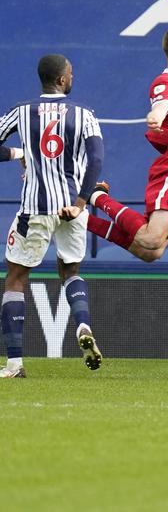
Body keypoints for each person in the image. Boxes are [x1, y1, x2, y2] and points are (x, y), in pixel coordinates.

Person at [0, 55, 103, 377]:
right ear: (61, 80)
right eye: (70, 74)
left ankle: (14, 364)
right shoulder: (84, 114)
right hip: (72, 207)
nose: (73, 78)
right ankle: (82, 324)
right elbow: (96, 159)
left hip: (36, 208)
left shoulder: (21, 112)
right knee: (70, 271)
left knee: (16, 278)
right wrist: (81, 203)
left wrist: (19, 152)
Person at [86, 28, 168, 261]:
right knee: (150, 239)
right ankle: (96, 196)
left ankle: (81, 219)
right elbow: (161, 105)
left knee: (151, 252)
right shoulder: (166, 82)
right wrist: (156, 116)